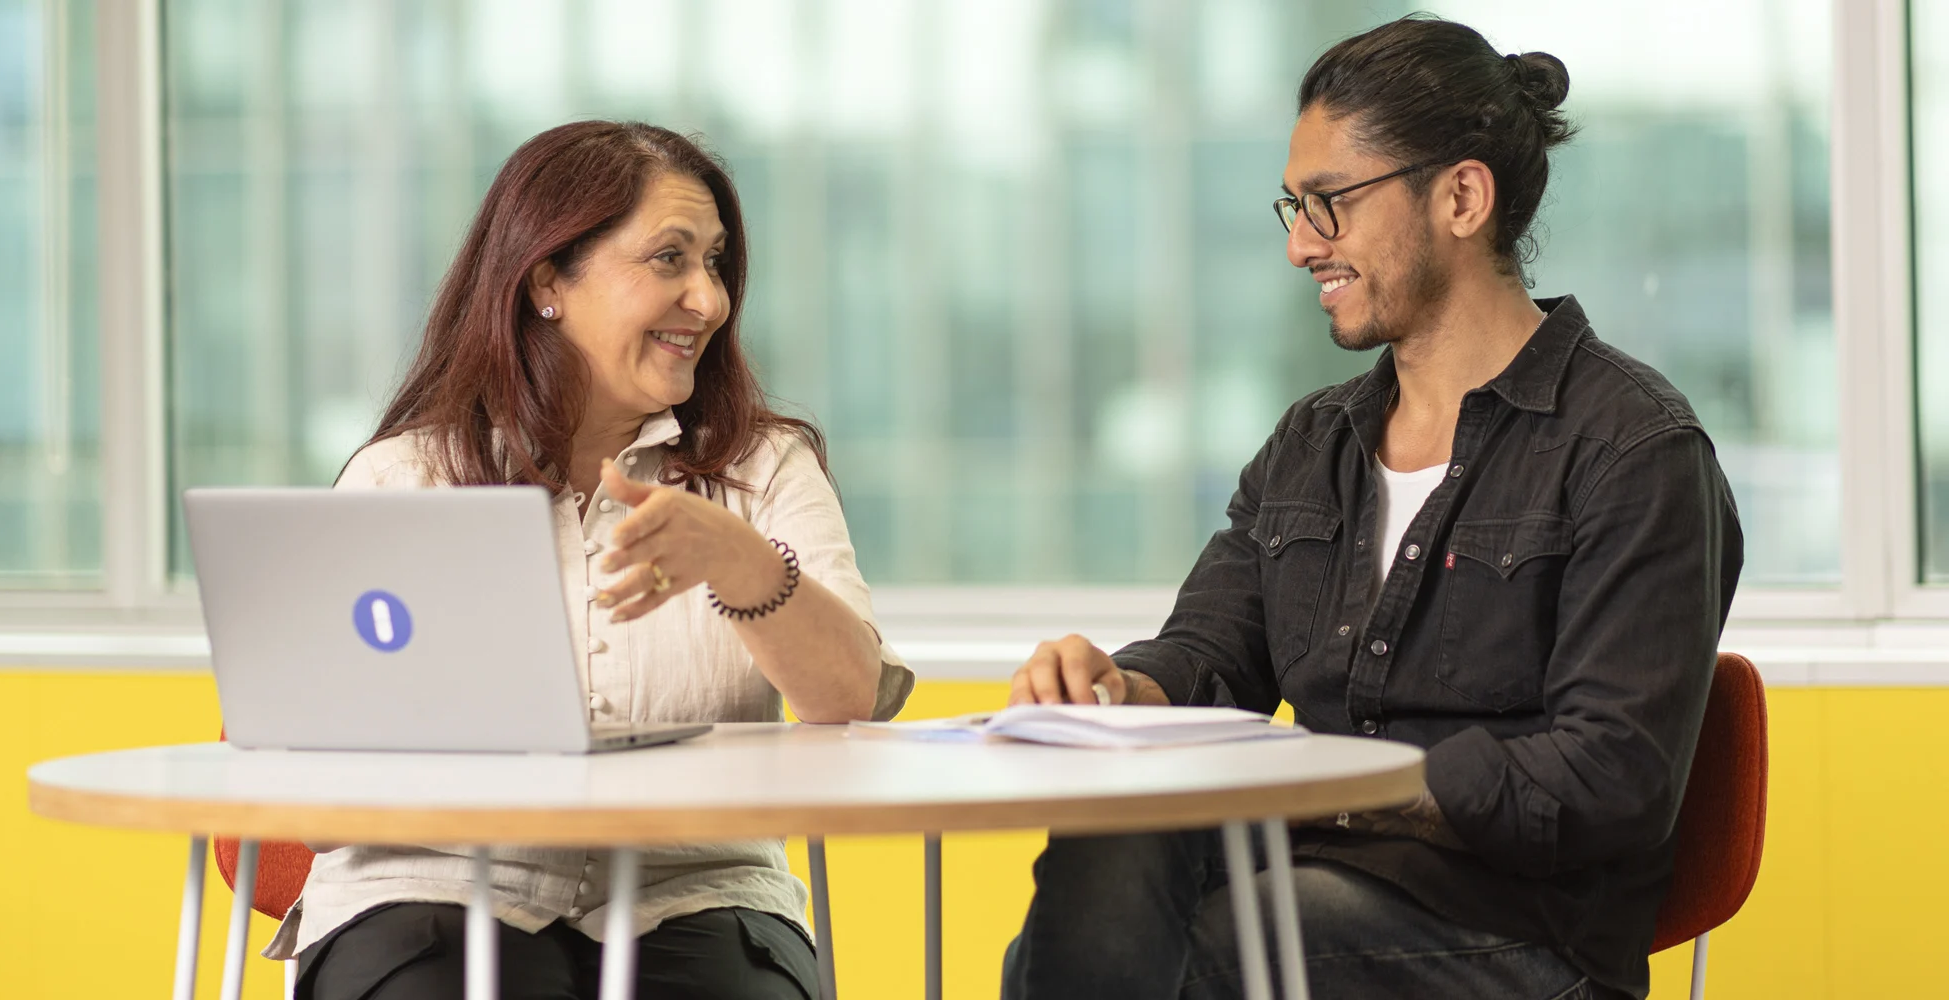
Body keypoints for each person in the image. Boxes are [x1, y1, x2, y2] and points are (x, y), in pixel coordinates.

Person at [1000, 16, 1743, 1000]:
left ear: (1461, 196)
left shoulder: (1631, 448)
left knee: (1208, 955)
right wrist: (1115, 692)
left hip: (1517, 942)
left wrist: (1352, 788)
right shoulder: (1314, 444)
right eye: (1292, 208)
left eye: (1329, 204)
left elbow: (1607, 783)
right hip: (1301, 888)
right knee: (1100, 873)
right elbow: (1212, 654)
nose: (1301, 246)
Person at [265, 121, 914, 1000]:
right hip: (434, 888)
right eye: (670, 259)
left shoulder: (766, 471)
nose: (710, 299)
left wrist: (740, 560)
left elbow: (847, 698)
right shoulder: (404, 478)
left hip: (700, 894)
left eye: (715, 263)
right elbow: (314, 789)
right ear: (547, 283)